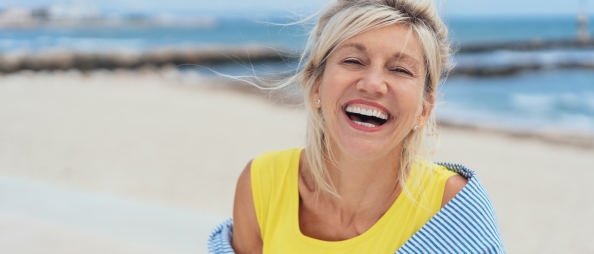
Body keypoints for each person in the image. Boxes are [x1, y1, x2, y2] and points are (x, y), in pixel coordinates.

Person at [209, 0, 505, 253]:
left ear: (424, 108)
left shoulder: (451, 209)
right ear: (315, 85)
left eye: (400, 69)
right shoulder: (261, 184)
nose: (373, 84)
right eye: (353, 60)